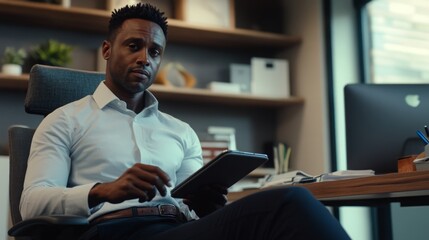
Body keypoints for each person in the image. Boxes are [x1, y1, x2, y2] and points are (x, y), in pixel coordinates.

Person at [20, 3, 351, 240]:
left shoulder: (180, 132)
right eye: (134, 46)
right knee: (289, 203)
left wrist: (204, 205)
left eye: (154, 52)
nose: (144, 58)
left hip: (177, 228)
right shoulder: (64, 120)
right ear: (107, 49)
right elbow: (31, 203)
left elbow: (190, 206)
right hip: (112, 230)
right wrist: (104, 191)